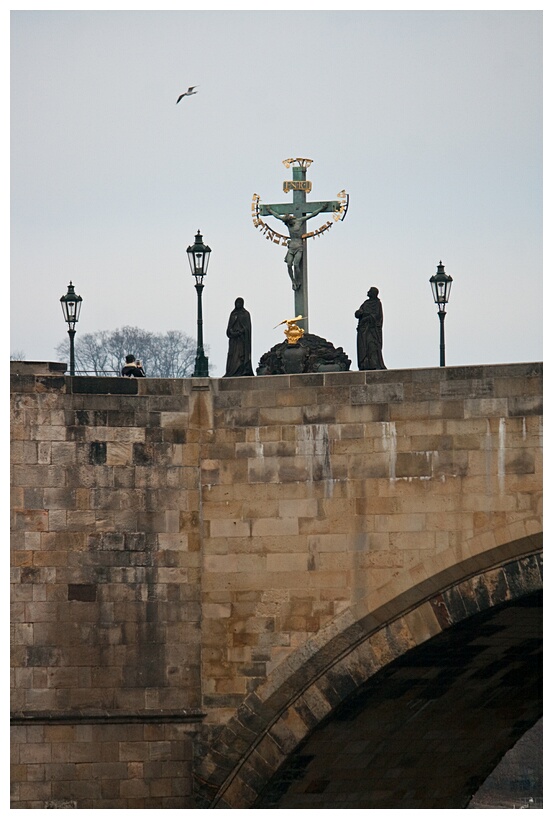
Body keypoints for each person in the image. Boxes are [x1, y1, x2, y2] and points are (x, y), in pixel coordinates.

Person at [266, 203, 327, 290]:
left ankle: (298, 280)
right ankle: (293, 281)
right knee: (288, 264)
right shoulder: (288, 223)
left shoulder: (299, 221)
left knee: (296, 264)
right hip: (291, 247)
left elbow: (312, 215)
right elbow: (277, 216)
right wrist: (269, 210)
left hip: (299, 246)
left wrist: (321, 208)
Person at [355, 287, 386, 371]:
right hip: (363, 330)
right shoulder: (366, 303)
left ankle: (375, 364)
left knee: (372, 347)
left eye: (369, 291)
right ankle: (364, 364)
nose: (367, 292)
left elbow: (377, 317)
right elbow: (358, 313)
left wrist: (367, 316)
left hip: (372, 331)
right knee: (363, 348)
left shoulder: (377, 303)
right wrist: (359, 313)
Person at [224, 298, 254, 378]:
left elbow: (247, 328)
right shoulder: (233, 314)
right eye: (237, 303)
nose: (238, 304)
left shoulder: (246, 314)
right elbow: (229, 328)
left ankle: (242, 370)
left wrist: (241, 331)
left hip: (242, 340)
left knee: (241, 356)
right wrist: (232, 332)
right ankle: (231, 371)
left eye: (240, 303)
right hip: (234, 340)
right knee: (232, 356)